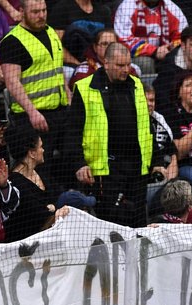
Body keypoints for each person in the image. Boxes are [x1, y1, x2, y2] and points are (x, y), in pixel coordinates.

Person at [66, 42, 162, 227]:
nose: (126, 70)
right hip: (106, 169)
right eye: (120, 65)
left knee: (138, 222)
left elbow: (146, 126)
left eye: (128, 64)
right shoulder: (85, 88)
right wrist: (79, 164)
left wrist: (156, 161)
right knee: (110, 224)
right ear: (106, 62)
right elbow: (73, 131)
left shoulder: (137, 85)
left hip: (137, 167)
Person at [0, 0, 69, 185]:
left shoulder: (51, 32)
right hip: (31, 118)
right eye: (35, 11)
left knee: (67, 162)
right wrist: (32, 112)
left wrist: (68, 96)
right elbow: (12, 82)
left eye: (44, 10)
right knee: (38, 169)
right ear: (21, 11)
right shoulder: (12, 41)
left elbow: (57, 71)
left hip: (59, 112)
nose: (41, 15)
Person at [3, 123, 62, 242]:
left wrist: (53, 207)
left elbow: (59, 196)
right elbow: (41, 216)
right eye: (41, 146)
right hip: (26, 248)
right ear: (32, 153)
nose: (43, 150)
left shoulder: (40, 173)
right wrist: (54, 209)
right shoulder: (15, 181)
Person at [113, 0, 188, 75]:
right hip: (134, 56)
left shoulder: (171, 7)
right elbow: (124, 40)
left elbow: (182, 36)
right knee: (146, 63)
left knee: (181, 58)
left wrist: (171, 47)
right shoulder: (128, 6)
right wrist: (154, 51)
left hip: (165, 54)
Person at [47, 0, 112, 67]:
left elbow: (111, 42)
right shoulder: (62, 8)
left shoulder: (103, 10)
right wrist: (79, 65)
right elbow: (56, 46)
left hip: (100, 65)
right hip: (70, 67)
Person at [68, 29, 139, 90]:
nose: (108, 47)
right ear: (95, 47)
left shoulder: (129, 69)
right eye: (104, 44)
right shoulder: (85, 69)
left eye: (112, 44)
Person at [145, 84, 178, 181]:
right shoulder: (131, 122)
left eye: (151, 100)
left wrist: (171, 175)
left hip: (167, 171)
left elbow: (172, 149)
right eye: (145, 100)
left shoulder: (159, 119)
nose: (149, 104)